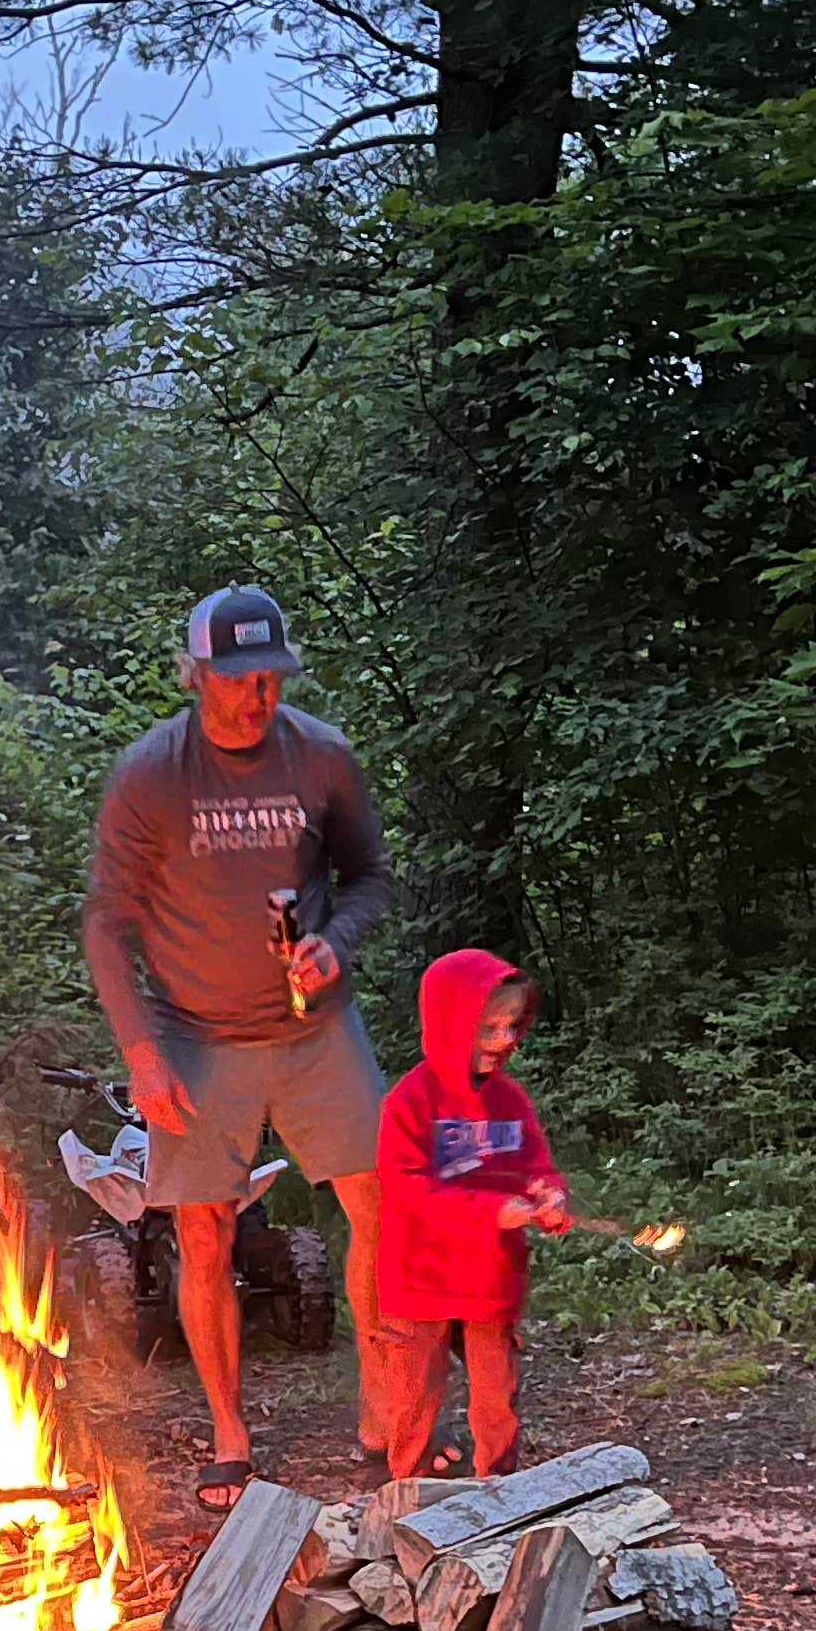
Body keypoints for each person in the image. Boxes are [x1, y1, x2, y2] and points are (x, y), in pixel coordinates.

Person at [81, 584, 397, 1505]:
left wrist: (332, 946)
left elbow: (369, 877)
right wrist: (140, 1053)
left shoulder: (322, 757)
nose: (257, 696)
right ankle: (229, 1434)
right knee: (204, 1227)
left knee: (378, 1206)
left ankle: (384, 1418)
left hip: (311, 1027)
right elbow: (105, 923)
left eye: (269, 677)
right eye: (236, 679)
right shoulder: (153, 773)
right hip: (193, 1036)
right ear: (196, 676)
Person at [371, 947, 569, 1479]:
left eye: (512, 1026)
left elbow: (536, 1164)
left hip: (490, 1278)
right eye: (488, 1028)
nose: (504, 1041)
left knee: (496, 1400)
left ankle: (497, 1492)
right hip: (419, 1278)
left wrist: (547, 1195)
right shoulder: (411, 1101)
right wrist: (488, 1212)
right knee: (413, 1396)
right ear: (449, 1024)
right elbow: (406, 1189)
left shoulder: (511, 1100)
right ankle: (406, 1494)